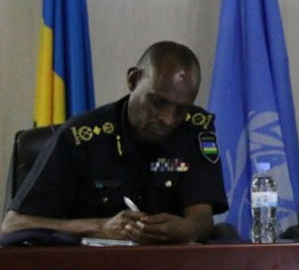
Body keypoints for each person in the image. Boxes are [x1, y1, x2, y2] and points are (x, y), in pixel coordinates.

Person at [2, 41, 228, 244]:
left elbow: (201, 217)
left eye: (181, 109)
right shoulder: (81, 137)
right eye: (158, 102)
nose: (168, 119)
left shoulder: (193, 131)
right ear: (133, 79)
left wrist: (189, 229)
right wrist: (100, 227)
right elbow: (13, 225)